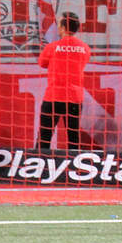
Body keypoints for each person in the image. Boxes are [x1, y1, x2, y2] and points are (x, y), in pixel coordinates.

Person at [36, 12, 90, 150]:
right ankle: (74, 162)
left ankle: (37, 161)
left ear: (63, 27)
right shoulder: (85, 48)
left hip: (54, 96)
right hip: (74, 97)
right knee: (73, 137)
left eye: (59, 24)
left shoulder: (52, 47)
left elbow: (42, 63)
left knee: (45, 135)